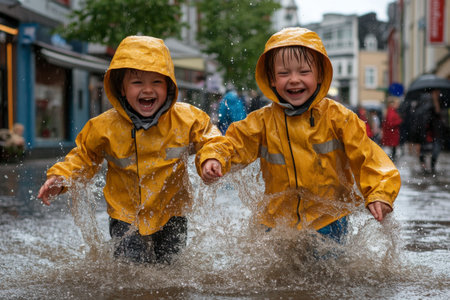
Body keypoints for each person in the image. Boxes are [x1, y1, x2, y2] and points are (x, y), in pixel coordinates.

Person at [198, 27, 401, 243]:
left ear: (320, 75)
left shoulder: (339, 118)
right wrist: (214, 158)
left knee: (329, 273)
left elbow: (369, 158)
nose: (294, 80)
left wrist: (380, 193)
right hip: (276, 222)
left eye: (304, 72)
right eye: (284, 73)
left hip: (328, 220)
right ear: (272, 79)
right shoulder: (261, 122)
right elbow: (232, 144)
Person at [37, 36, 224, 264]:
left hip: (172, 212)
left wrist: (211, 159)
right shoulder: (104, 126)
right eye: (137, 83)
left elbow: (210, 139)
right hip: (125, 215)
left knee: (171, 270)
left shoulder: (187, 118)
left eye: (157, 82)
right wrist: (62, 177)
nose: (147, 90)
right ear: (122, 89)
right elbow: (83, 157)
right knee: (130, 271)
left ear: (169, 86)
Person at [418, 89, 443, 174]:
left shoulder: (440, 101)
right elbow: (426, 116)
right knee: (424, 151)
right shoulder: (426, 101)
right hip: (427, 132)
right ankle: (424, 166)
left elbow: (439, 114)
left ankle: (432, 167)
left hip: (436, 131)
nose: (438, 93)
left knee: (435, 150)